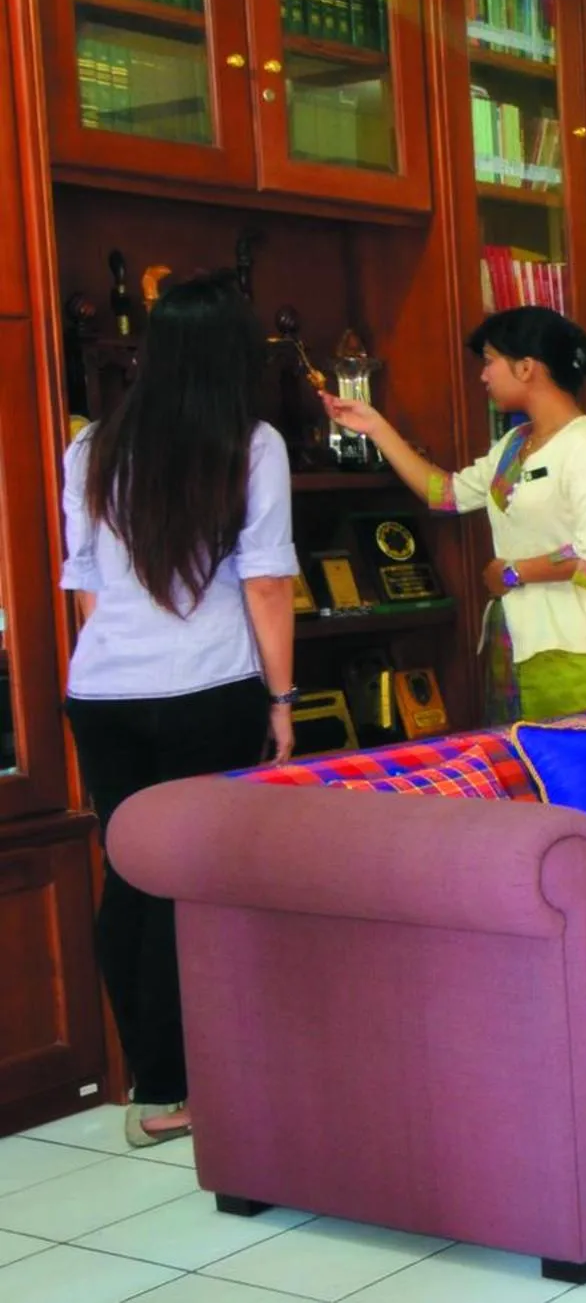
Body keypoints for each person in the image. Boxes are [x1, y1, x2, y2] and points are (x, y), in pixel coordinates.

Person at [60, 271, 299, 1148]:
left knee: (131, 876)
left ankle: (151, 1078)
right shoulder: (251, 442)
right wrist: (281, 700)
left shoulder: (92, 448)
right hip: (209, 688)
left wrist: (123, 660)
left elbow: (85, 588)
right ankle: (195, 1090)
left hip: (105, 694)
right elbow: (268, 585)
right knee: (194, 886)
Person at [322, 307, 586, 721]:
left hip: (575, 648)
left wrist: (511, 573)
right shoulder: (515, 444)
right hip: (514, 640)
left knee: (565, 774)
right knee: (513, 774)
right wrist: (376, 427)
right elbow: (444, 494)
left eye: (488, 361)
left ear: (525, 367)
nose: (483, 376)